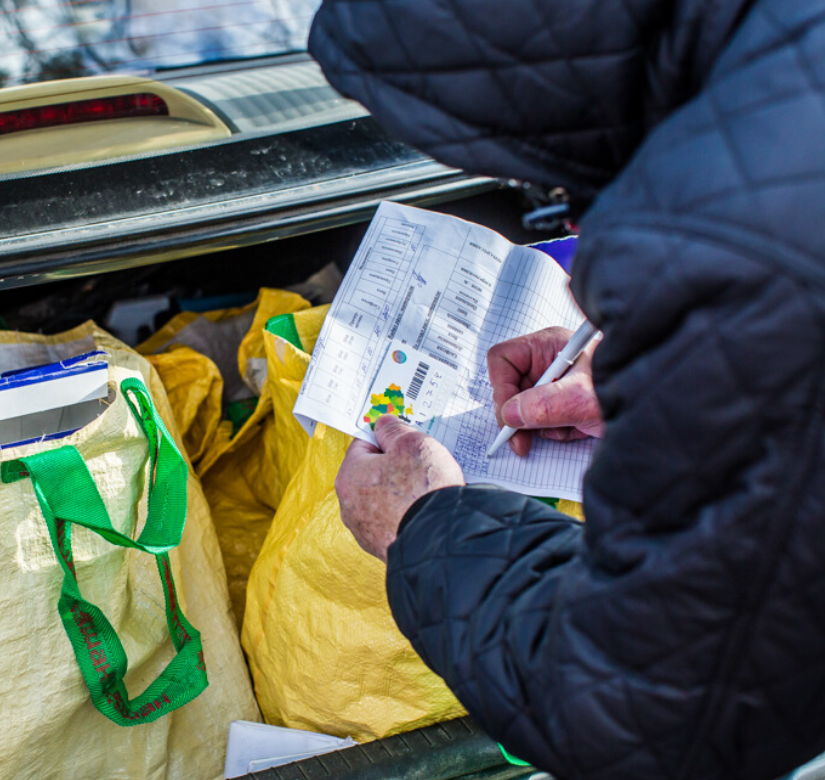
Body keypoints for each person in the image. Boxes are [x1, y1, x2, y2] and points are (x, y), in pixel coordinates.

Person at [314, 0, 825, 778]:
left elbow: (660, 714)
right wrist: (668, 382)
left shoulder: (735, 247)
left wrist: (420, 528)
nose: (525, 183)